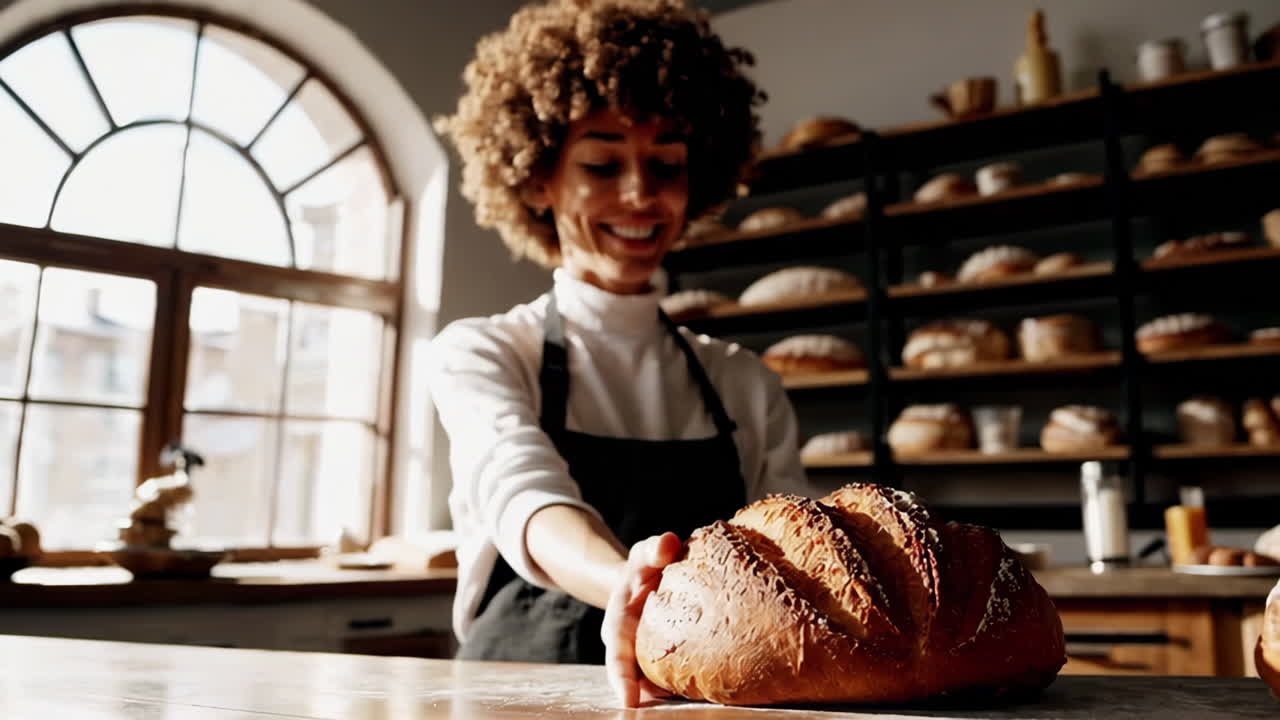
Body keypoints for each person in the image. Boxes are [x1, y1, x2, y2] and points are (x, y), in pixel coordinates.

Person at [430, 0, 809, 707]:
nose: (640, 194)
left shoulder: (744, 384)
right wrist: (631, 592)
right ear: (540, 177)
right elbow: (525, 496)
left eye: (666, 165)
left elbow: (792, 569)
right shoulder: (484, 352)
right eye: (603, 164)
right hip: (514, 701)